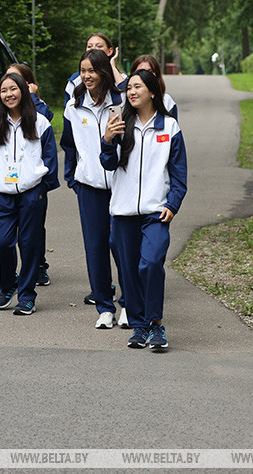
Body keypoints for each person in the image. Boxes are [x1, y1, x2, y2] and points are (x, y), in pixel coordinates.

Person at [101, 69, 188, 350]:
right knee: (129, 272)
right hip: (123, 211)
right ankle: (139, 326)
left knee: (150, 264)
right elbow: (108, 164)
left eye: (137, 87)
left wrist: (172, 205)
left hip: (156, 211)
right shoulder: (120, 124)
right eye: (129, 88)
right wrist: (107, 141)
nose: (131, 92)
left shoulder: (169, 127)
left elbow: (179, 174)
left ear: (152, 91)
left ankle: (156, 323)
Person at [0, 73, 59, 315]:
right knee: (1, 240)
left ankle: (27, 296)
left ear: (23, 91)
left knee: (29, 245)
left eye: (13, 89)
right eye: (4, 90)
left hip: (32, 193)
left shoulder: (39, 122)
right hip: (3, 193)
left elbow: (50, 158)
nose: (9, 94)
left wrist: (41, 187)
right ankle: (8, 284)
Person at [61, 49, 126, 329]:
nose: (87, 76)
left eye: (92, 70)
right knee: (96, 248)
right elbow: (68, 145)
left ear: (103, 72)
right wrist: (73, 178)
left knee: (121, 247)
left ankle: (128, 304)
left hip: (121, 186)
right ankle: (104, 307)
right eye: (83, 70)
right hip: (89, 187)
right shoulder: (74, 106)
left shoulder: (120, 101)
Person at [6, 62, 54, 287]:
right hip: (8, 180)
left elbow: (40, 121)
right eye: (7, 80)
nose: (10, 85)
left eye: (16, 81)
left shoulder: (38, 106)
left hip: (33, 182)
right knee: (6, 233)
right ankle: (12, 274)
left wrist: (32, 97)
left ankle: (38, 266)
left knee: (33, 230)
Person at [63, 33, 126, 107]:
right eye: (89, 46)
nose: (93, 49)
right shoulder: (75, 80)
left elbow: (127, 97)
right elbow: (69, 108)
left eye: (99, 46)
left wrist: (113, 67)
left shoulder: (121, 78)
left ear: (110, 51)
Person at [129, 55, 178, 119]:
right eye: (141, 71)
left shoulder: (167, 101)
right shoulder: (127, 100)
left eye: (150, 71)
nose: (145, 75)